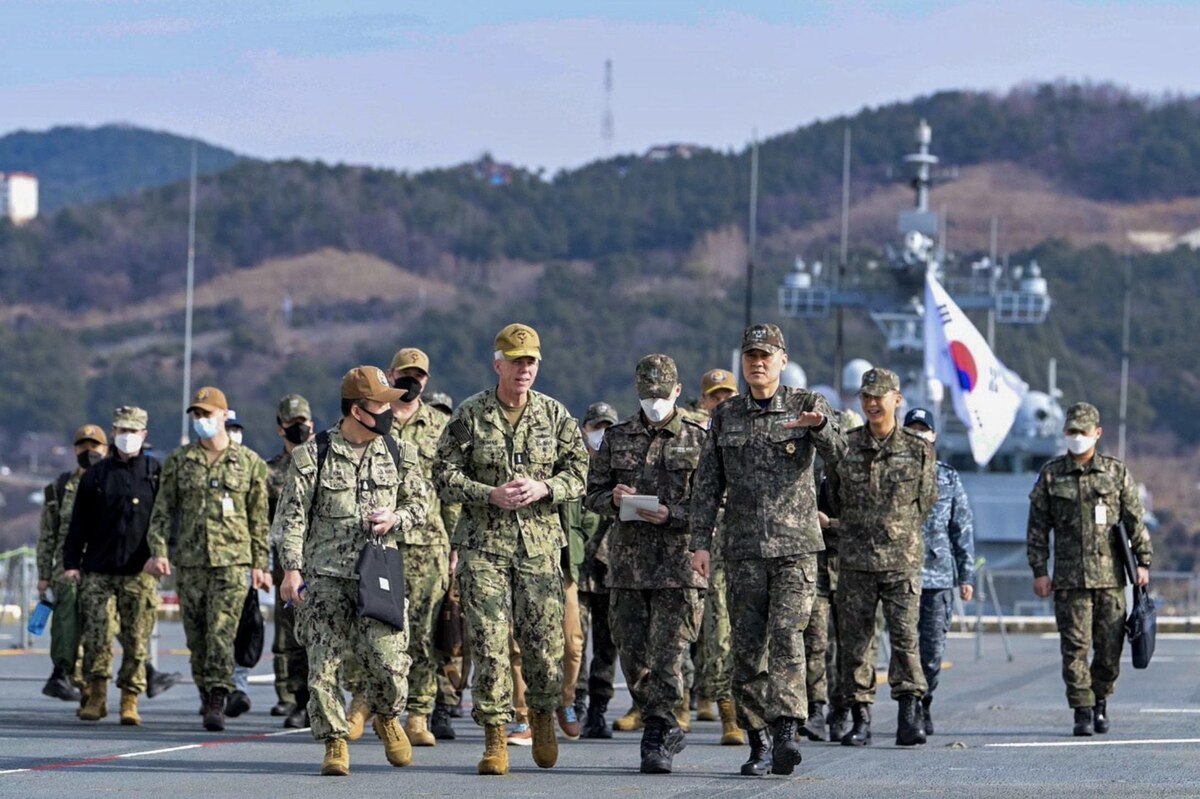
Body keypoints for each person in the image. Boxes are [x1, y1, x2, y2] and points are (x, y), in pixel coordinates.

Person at [690, 324, 845, 777]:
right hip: (743, 550)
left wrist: (821, 431)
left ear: (782, 358)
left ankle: (786, 733)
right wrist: (700, 543)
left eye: (765, 355)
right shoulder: (727, 415)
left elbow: (839, 454)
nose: (757, 362)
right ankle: (757, 738)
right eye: (750, 355)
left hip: (795, 549)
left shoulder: (807, 405)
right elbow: (707, 484)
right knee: (747, 649)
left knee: (787, 638)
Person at [434, 323, 589, 776]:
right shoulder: (470, 414)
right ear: (497, 363)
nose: (524, 369)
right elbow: (442, 475)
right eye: (515, 360)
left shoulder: (554, 415)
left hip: (539, 547)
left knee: (544, 643)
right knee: (489, 642)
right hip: (484, 547)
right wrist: (488, 493)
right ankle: (496, 736)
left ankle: (542, 716)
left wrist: (545, 486)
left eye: (531, 361)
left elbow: (580, 473)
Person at [274, 366, 428, 776]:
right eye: (382, 404)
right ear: (358, 410)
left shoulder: (400, 453)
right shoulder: (314, 454)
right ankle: (335, 742)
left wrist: (396, 517)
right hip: (324, 576)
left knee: (389, 662)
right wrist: (291, 570)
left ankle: (389, 716)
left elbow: (421, 507)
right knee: (323, 666)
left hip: (378, 577)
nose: (391, 411)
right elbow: (291, 518)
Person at [586, 354, 709, 773]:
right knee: (633, 654)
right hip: (628, 567)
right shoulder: (617, 438)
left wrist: (672, 515)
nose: (654, 401)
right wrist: (614, 499)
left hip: (678, 568)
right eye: (647, 394)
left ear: (677, 391)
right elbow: (592, 494)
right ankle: (660, 719)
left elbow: (717, 503)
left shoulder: (698, 439)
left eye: (662, 393)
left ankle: (656, 732)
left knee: (669, 655)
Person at [145, 386, 271, 733]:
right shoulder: (180, 461)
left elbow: (258, 519)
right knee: (196, 637)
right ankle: (206, 689)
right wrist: (158, 551)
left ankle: (218, 695)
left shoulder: (249, 463)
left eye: (206, 414)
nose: (200, 420)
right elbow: (162, 511)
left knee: (221, 632)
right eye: (196, 415)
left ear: (223, 416)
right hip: (191, 562)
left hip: (233, 564)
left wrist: (261, 564)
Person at [825, 368, 937, 747]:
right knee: (855, 643)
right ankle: (861, 717)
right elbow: (835, 498)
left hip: (901, 560)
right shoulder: (847, 446)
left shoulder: (918, 448)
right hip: (855, 561)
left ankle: (909, 713)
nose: (873, 403)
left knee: (906, 640)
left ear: (897, 398)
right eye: (866, 397)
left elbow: (925, 502)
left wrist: (896, 530)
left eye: (880, 396)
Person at [1026, 401, 1152, 737]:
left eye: (1083, 432)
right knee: (1074, 648)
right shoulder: (1051, 475)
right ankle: (1081, 710)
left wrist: (1143, 562)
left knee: (1110, 649)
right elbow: (1037, 527)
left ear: (1097, 433)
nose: (1077, 437)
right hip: (1070, 580)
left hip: (1111, 578)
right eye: (1071, 431)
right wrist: (1039, 570)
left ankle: (1101, 702)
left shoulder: (1115, 472)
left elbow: (1134, 520)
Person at [63, 407, 161, 726]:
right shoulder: (96, 475)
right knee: (98, 636)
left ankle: (130, 699)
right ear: (114, 432)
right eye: (122, 430)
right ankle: (97, 695)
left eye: (133, 431)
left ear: (144, 435)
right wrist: (71, 563)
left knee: (136, 638)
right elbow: (77, 524)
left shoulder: (155, 472)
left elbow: (166, 520)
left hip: (139, 571)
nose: (127, 436)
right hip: (98, 569)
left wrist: (161, 554)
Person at [385, 347, 459, 746]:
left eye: (419, 376)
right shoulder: (372, 419)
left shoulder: (439, 428)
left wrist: (455, 544)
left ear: (427, 382)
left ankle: (418, 714)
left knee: (426, 635)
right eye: (404, 374)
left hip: (430, 542)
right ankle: (380, 707)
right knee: (380, 629)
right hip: (381, 543)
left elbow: (450, 490)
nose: (411, 381)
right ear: (390, 374)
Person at [902, 407, 975, 735]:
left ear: (933, 435)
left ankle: (925, 700)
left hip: (939, 576)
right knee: (905, 646)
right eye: (911, 428)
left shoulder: (948, 476)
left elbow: (962, 527)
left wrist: (966, 576)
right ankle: (909, 706)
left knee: (931, 649)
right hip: (901, 573)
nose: (918, 434)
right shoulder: (893, 472)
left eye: (923, 429)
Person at [36, 424, 110, 707]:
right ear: (74, 450)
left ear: (105, 450)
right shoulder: (59, 487)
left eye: (94, 446)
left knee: (99, 626)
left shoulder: (111, 480)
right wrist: (44, 574)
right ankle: (67, 676)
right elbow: (47, 533)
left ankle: (90, 684)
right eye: (82, 446)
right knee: (67, 622)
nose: (88, 451)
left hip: (101, 563)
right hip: (66, 566)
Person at [691, 368, 744, 747]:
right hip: (695, 545)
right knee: (688, 632)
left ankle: (728, 709)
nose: (720, 401)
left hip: (735, 547)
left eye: (727, 395)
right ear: (705, 400)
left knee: (724, 632)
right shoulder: (691, 435)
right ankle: (687, 703)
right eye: (715, 396)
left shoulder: (744, 431)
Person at [266, 394, 316, 728]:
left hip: (324, 559)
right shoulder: (270, 472)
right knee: (294, 635)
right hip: (287, 562)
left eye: (304, 423)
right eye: (293, 424)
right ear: (281, 428)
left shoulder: (323, 460)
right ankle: (299, 699)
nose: (299, 429)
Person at [576, 401, 619, 739]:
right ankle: (574, 703)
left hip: (611, 570)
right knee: (573, 642)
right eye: (595, 427)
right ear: (584, 429)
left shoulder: (623, 468)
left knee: (607, 644)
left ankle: (598, 708)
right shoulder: (574, 467)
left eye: (607, 427)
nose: (600, 434)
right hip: (577, 569)